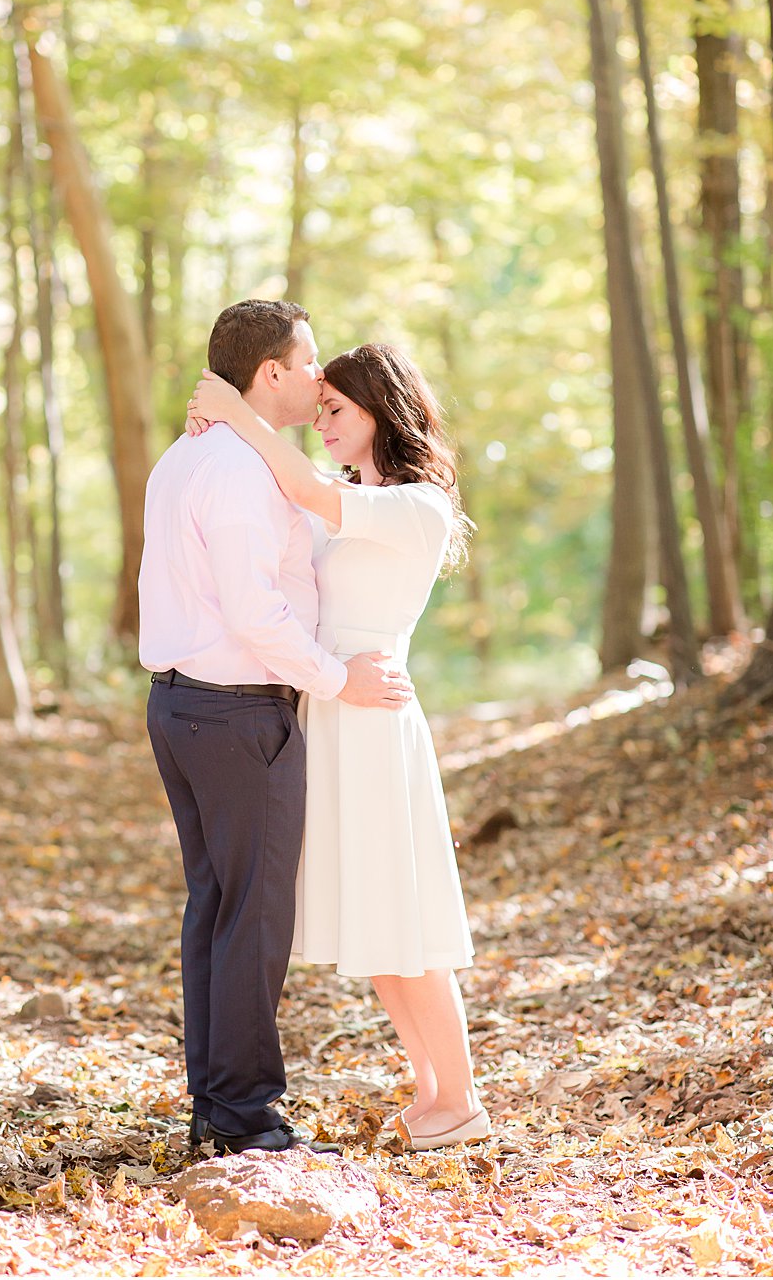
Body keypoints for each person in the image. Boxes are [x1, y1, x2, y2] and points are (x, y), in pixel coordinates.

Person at [187, 341, 490, 1152]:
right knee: (374, 916)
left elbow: (303, 488)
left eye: (335, 410)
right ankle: (431, 1091)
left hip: (373, 723)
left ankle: (458, 1095)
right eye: (318, 408)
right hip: (332, 712)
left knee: (405, 914)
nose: (321, 423)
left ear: (380, 413)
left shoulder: (416, 503)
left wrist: (234, 412)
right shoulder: (355, 495)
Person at [138, 301, 413, 1157]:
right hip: (235, 711)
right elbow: (255, 613)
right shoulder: (235, 473)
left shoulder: (188, 456)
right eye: (307, 364)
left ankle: (219, 1106)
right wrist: (338, 683)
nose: (319, 377)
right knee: (251, 918)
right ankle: (246, 1117)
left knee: (218, 910)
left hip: (186, 706)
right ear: (268, 376)